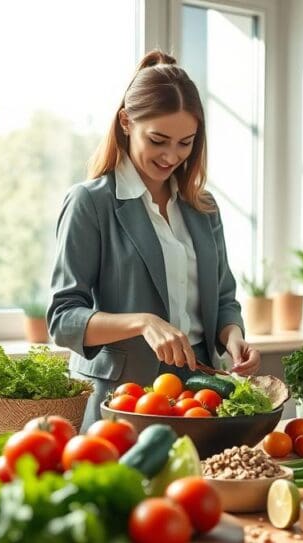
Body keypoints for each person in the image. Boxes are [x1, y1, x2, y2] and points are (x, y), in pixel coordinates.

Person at [48, 50, 261, 431]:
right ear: (126, 122)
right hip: (122, 400)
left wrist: (234, 337)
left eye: (185, 143)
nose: (171, 156)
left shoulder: (203, 207)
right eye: (159, 140)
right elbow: (63, 319)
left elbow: (224, 299)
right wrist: (142, 323)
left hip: (201, 394)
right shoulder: (91, 203)